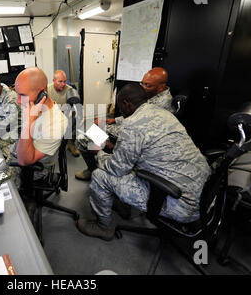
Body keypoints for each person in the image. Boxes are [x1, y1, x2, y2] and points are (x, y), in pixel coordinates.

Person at [76, 83, 210, 241]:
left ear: (126, 104)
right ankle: (122, 204)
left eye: (120, 107)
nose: (121, 111)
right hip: (203, 193)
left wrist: (99, 151)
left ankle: (103, 227)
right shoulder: (164, 113)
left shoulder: (132, 125)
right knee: (128, 165)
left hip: (181, 203)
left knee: (100, 176)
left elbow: (116, 169)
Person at [75, 67, 175, 181]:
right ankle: (93, 169)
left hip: (138, 144)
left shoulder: (161, 105)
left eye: (147, 85)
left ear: (161, 87)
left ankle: (96, 171)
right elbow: (137, 114)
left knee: (84, 137)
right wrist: (114, 120)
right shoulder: (153, 95)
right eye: (142, 83)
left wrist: (104, 127)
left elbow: (132, 128)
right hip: (133, 134)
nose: (142, 88)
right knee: (89, 131)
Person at [10, 67, 68, 189]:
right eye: (17, 94)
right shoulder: (32, 105)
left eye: (22, 95)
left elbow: (24, 161)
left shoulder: (56, 122)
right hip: (17, 151)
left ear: (42, 94)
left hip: (34, 170)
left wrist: (29, 122)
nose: (19, 101)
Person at [47, 69, 81, 157]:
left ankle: (70, 143)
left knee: (76, 119)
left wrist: (70, 111)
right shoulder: (47, 89)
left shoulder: (69, 90)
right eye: (60, 81)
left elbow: (75, 106)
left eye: (65, 81)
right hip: (52, 115)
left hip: (65, 114)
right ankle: (51, 143)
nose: (63, 84)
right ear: (54, 81)